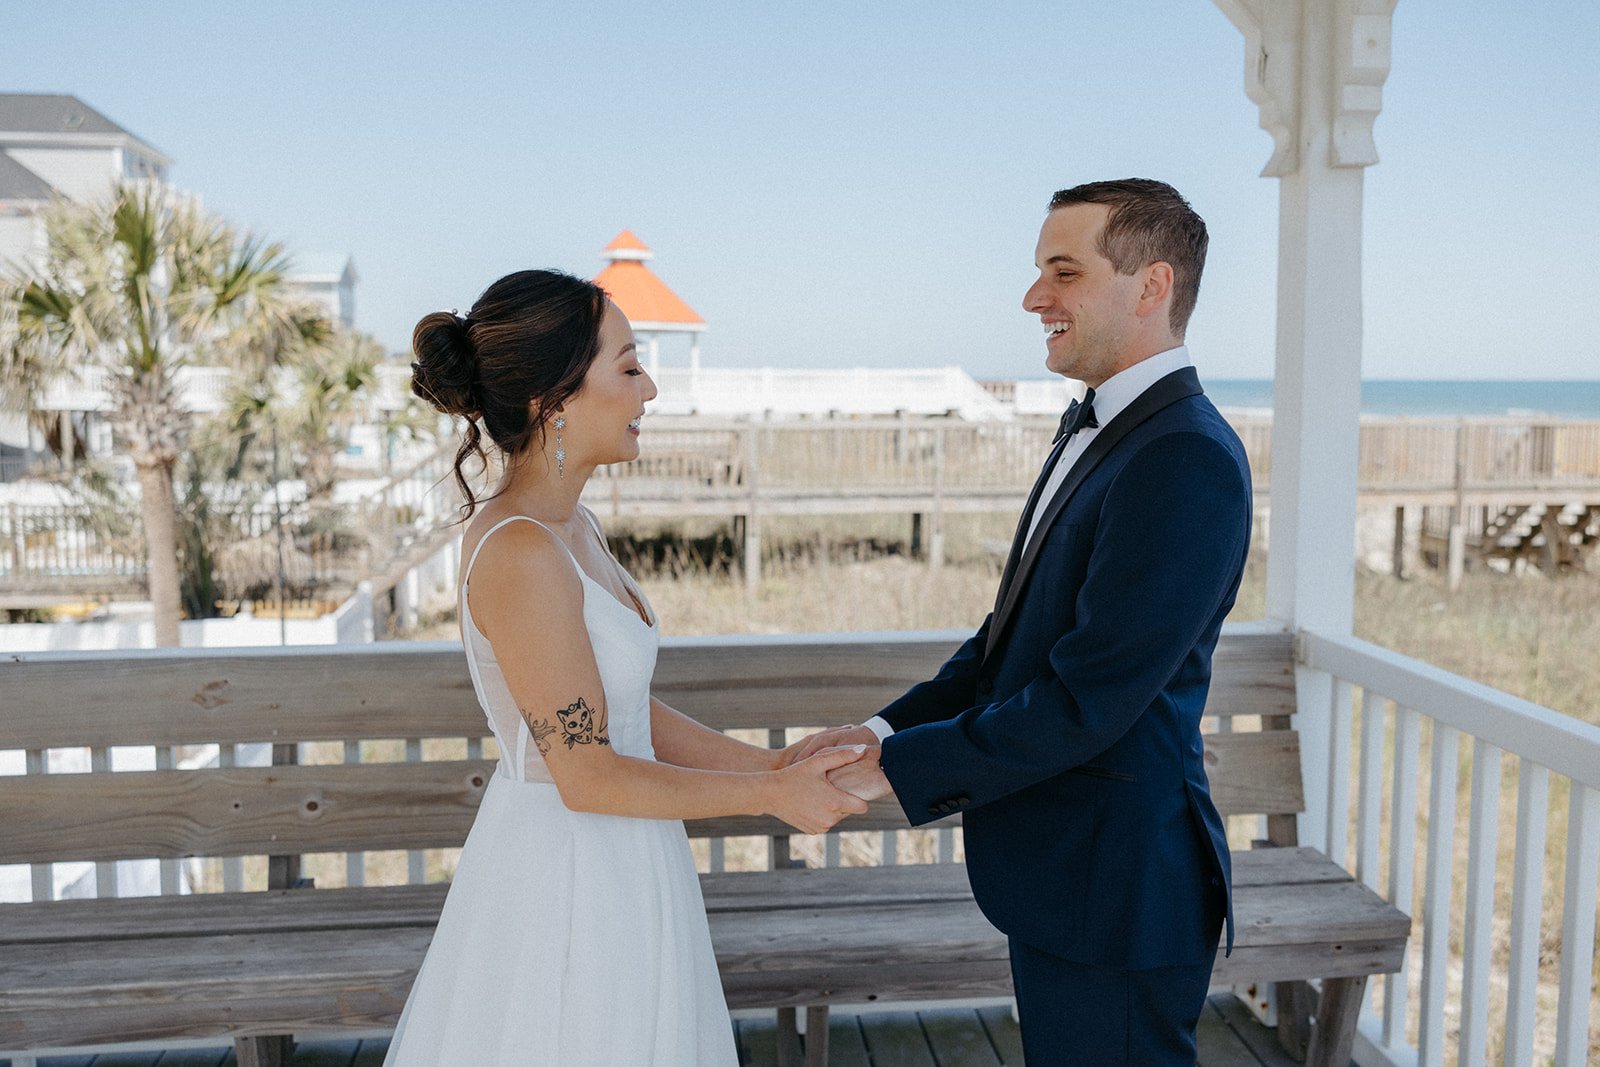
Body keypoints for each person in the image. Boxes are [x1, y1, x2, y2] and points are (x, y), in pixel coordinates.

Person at [794, 179, 1253, 1065]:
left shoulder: (1183, 456)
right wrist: (884, 728)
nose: (1034, 297)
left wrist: (891, 771)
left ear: (1151, 286)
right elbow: (1007, 643)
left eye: (1064, 272)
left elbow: (1085, 702)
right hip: (1068, 879)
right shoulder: (1102, 429)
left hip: (1117, 890)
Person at [385, 269, 869, 1065]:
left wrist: (776, 762)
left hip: (629, 856)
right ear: (553, 399)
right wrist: (768, 795)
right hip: (567, 878)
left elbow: (625, 711)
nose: (649, 387)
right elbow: (586, 773)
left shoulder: (575, 525)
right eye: (629, 365)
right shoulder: (520, 552)